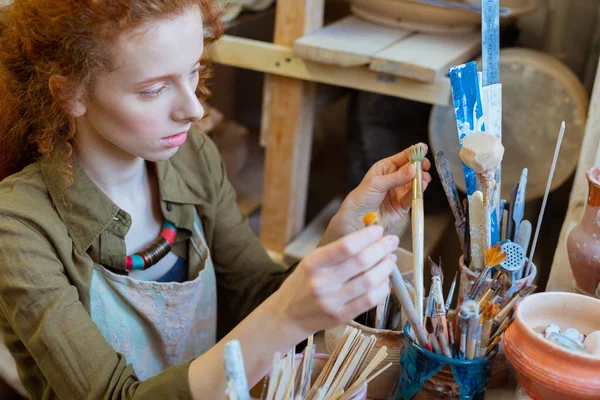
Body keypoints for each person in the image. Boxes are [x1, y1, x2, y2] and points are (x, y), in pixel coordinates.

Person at [0, 1, 431, 399]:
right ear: (68, 93)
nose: (194, 109)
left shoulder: (192, 158)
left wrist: (345, 230)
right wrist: (288, 317)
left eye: (192, 71)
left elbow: (255, 294)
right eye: (153, 89)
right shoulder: (18, 226)